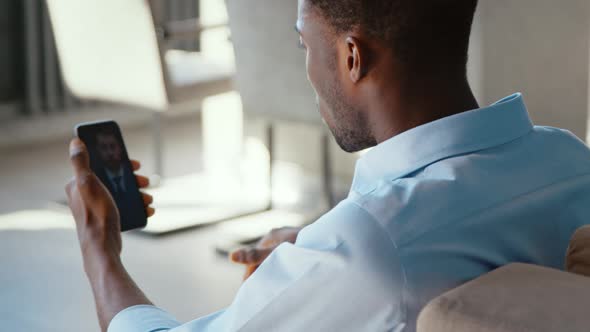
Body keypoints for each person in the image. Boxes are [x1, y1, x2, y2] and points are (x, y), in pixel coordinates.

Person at [64, 0, 590, 331]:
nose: (307, 70)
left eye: (304, 44)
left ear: (352, 56)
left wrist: (99, 250)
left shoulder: (371, 248)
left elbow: (386, 254)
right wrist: (318, 253)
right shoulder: (570, 159)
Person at [93, 128, 144, 225]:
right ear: (98, 151)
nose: (110, 153)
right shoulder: (96, 180)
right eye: (104, 148)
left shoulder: (131, 174)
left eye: (113, 146)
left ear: (120, 148)